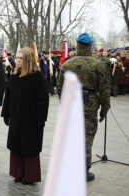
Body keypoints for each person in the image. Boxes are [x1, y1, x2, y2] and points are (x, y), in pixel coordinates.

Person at [57, 33, 110, 182]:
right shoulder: (97, 64)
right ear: (90, 46)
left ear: (78, 46)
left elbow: (60, 87)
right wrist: (105, 108)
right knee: (86, 139)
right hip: (90, 106)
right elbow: (105, 89)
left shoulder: (67, 64)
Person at [1, 47, 49, 185]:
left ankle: (29, 176)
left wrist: (41, 119)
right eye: (17, 58)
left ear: (28, 60)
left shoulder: (38, 77)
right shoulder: (14, 76)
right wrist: (6, 114)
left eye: (20, 58)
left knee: (30, 147)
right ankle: (18, 173)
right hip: (16, 118)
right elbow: (8, 96)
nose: (17, 61)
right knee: (16, 145)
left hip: (32, 120)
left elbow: (43, 101)